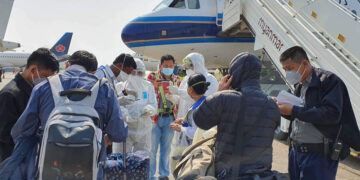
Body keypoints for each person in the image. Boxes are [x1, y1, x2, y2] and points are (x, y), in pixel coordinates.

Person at [10, 50, 127, 178]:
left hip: (50, 168)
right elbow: (118, 133)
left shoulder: (44, 87)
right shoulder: (105, 89)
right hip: (89, 169)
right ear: (93, 72)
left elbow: (20, 132)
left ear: (67, 64)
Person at [277, 46, 360, 180]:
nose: (288, 73)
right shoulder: (300, 85)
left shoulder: (328, 81)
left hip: (319, 155)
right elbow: (300, 115)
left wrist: (293, 109)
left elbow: (331, 114)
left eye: (289, 68)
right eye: (285, 70)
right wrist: (282, 108)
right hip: (296, 152)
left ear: (304, 63)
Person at [193, 52, 280, 179]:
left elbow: (200, 120)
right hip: (262, 175)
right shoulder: (271, 104)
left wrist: (218, 93)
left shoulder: (224, 98)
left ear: (233, 75)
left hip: (230, 174)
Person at [0, 48, 59, 162]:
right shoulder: (10, 94)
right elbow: (5, 136)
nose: (47, 82)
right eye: (45, 77)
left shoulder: (33, 91)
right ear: (33, 70)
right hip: (12, 160)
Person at [168, 52, 218, 172]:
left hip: (194, 126)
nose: (187, 69)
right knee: (180, 158)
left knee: (194, 162)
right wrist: (171, 96)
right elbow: (181, 100)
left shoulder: (209, 79)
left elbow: (202, 97)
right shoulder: (186, 79)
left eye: (189, 66)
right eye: (185, 66)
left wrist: (179, 92)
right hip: (185, 122)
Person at [147, 54, 181, 180]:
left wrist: (173, 92)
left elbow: (180, 98)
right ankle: (150, 176)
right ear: (160, 66)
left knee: (166, 150)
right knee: (152, 149)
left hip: (170, 117)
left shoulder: (177, 80)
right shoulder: (152, 76)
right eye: (165, 66)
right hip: (155, 118)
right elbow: (146, 92)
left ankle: (163, 175)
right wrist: (153, 86)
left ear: (174, 66)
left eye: (170, 66)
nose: (168, 68)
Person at [113, 59, 157, 154]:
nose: (137, 76)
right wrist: (126, 115)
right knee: (121, 159)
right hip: (125, 130)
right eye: (133, 73)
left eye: (140, 73)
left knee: (141, 161)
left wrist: (148, 110)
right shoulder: (120, 87)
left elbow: (153, 104)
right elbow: (117, 105)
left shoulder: (148, 86)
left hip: (144, 129)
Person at [169, 73, 210, 162]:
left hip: (192, 152)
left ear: (190, 90)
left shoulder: (198, 108)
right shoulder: (205, 102)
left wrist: (181, 128)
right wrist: (184, 120)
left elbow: (196, 133)